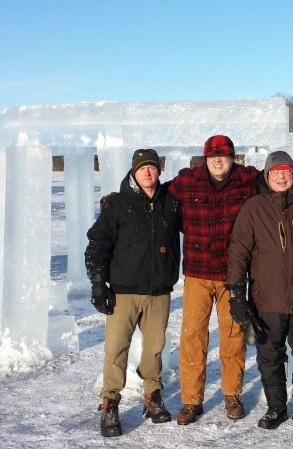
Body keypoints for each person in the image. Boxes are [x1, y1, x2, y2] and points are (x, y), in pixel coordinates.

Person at [225, 151, 293, 431]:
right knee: (270, 356)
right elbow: (238, 253)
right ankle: (276, 408)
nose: (281, 176)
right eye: (276, 172)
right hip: (267, 299)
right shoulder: (254, 208)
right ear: (267, 176)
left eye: (286, 171)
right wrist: (237, 295)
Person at [85, 148, 182, 437]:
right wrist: (98, 281)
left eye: (152, 168)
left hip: (159, 291)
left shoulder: (171, 203)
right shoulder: (117, 204)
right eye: (142, 168)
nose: (148, 173)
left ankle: (152, 396)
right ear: (134, 172)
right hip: (124, 291)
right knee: (116, 349)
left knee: (154, 348)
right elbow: (97, 244)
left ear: (159, 171)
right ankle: (110, 402)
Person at [167, 135, 258, 424]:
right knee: (193, 336)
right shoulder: (187, 182)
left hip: (233, 274)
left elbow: (285, 181)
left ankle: (232, 394)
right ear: (205, 158)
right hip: (197, 272)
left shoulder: (248, 180)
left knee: (233, 335)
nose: (218, 160)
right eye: (212, 155)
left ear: (234, 158)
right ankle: (191, 401)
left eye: (224, 155)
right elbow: (153, 192)